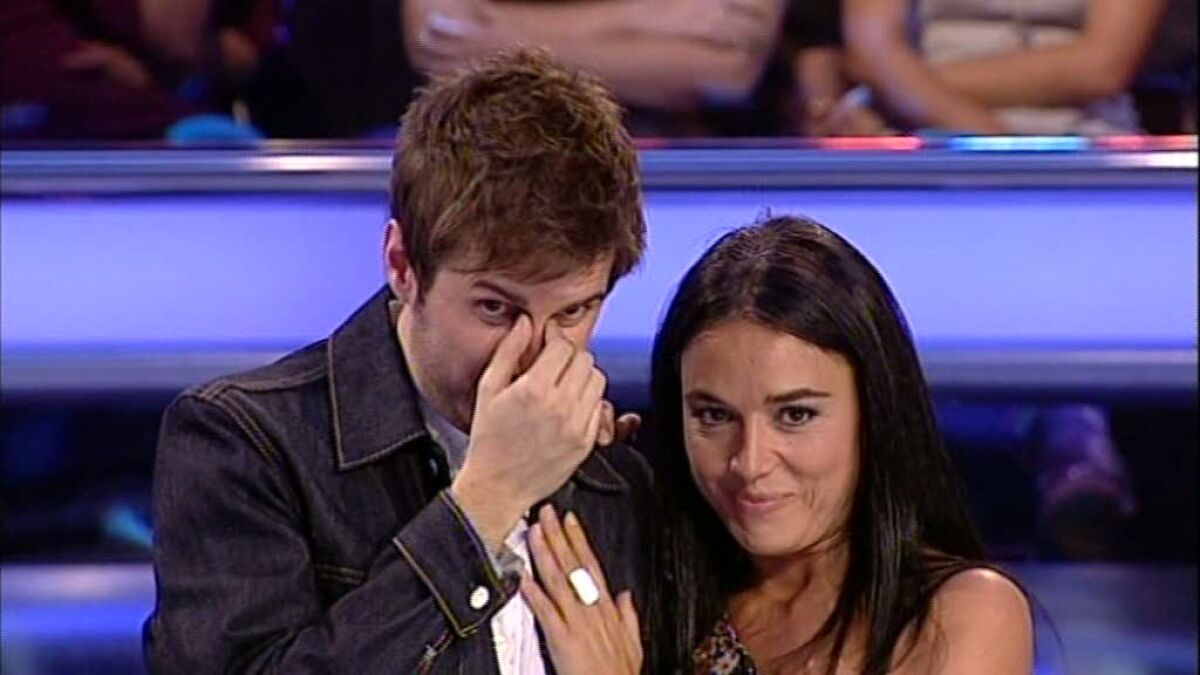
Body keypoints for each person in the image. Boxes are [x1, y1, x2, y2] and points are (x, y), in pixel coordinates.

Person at [144, 48, 651, 673]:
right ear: (403, 266)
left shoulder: (619, 474)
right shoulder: (244, 444)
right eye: (495, 309)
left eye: (572, 313)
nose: (534, 363)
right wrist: (485, 504)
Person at [523, 215, 1033, 672]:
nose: (749, 463)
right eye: (714, 416)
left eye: (795, 415)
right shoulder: (658, 593)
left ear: (874, 413)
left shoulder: (960, 614)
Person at [843, 0, 1168, 135]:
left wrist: (902, 86)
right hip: (929, 130)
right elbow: (874, 50)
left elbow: (1101, 67)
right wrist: (993, 148)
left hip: (1084, 141)